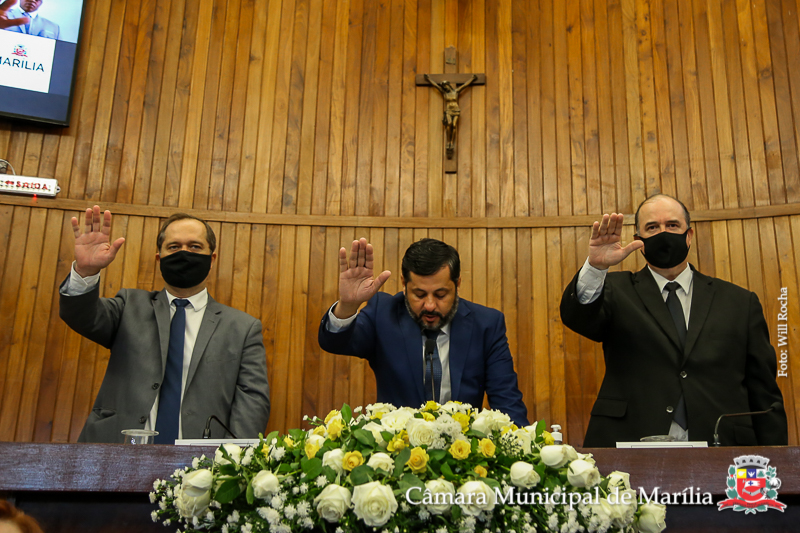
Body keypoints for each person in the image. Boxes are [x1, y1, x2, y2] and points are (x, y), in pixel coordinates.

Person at [560, 194, 787, 447]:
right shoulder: (613, 290)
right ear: (639, 241)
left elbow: (764, 391)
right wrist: (596, 268)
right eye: (652, 227)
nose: (663, 233)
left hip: (723, 446)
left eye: (672, 225)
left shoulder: (740, 302)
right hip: (629, 442)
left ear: (689, 235)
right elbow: (577, 317)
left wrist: (777, 459)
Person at [59, 206, 270, 443]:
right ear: (159, 259)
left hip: (202, 460)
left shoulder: (242, 328)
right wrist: (86, 272)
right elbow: (82, 316)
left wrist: (233, 459)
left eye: (195, 246)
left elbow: (252, 402)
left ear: (212, 259)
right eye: (174, 247)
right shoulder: (129, 306)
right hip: (118, 450)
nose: (184, 253)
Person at [318, 237, 529, 426]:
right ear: (404, 284)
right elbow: (335, 342)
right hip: (396, 450)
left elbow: (507, 402)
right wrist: (348, 306)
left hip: (463, 451)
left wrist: (519, 446)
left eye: (441, 295)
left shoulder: (486, 325)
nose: (429, 305)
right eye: (419, 294)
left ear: (457, 284)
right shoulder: (383, 313)